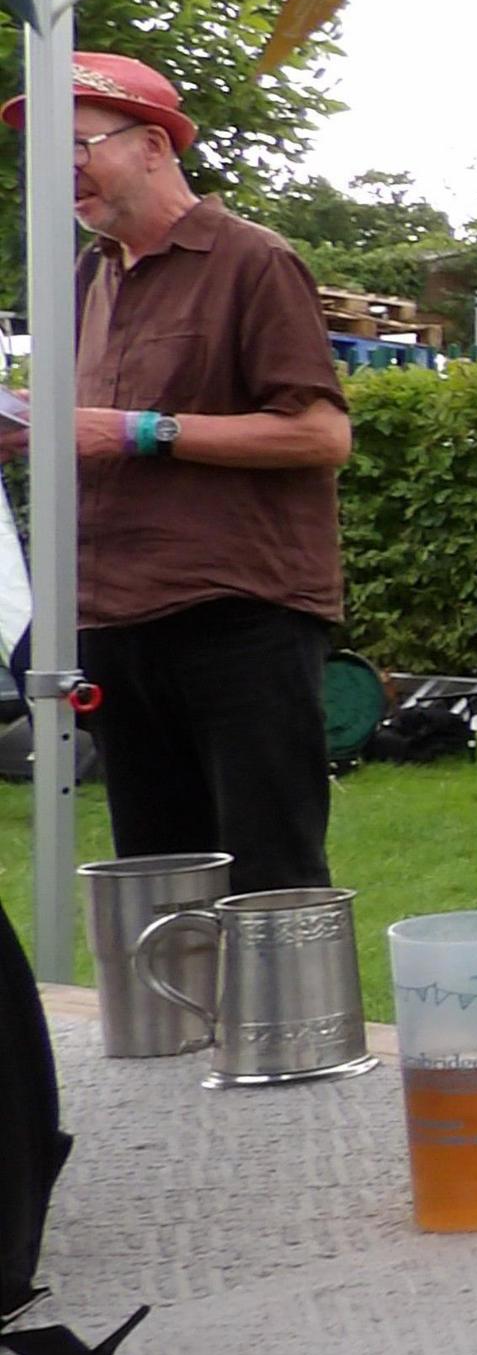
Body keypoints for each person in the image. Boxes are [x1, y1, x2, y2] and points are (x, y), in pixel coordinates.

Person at [0, 54, 351, 890]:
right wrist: (25, 424)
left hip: (238, 619)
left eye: (80, 146)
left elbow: (321, 435)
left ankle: (282, 1028)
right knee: (157, 876)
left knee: (270, 871)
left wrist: (140, 432)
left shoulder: (253, 262)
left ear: (154, 145)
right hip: (115, 619)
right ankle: (180, 1027)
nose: (63, 171)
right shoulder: (84, 279)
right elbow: (85, 428)